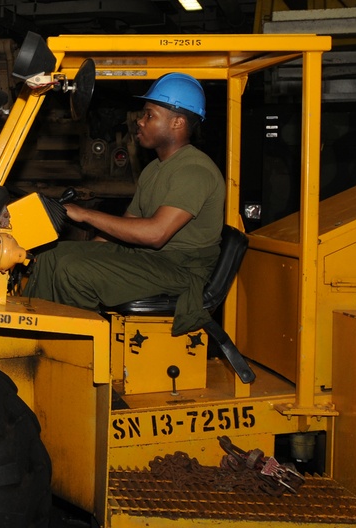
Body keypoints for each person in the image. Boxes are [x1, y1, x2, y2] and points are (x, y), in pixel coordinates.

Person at [24, 73, 225, 336]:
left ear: (177, 123)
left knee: (72, 272)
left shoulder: (194, 171)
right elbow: (128, 224)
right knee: (51, 257)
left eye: (149, 115)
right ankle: (32, 335)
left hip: (180, 271)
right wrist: (89, 252)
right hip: (152, 260)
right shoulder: (155, 168)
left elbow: (155, 234)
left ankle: (74, 353)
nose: (140, 122)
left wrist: (86, 215)